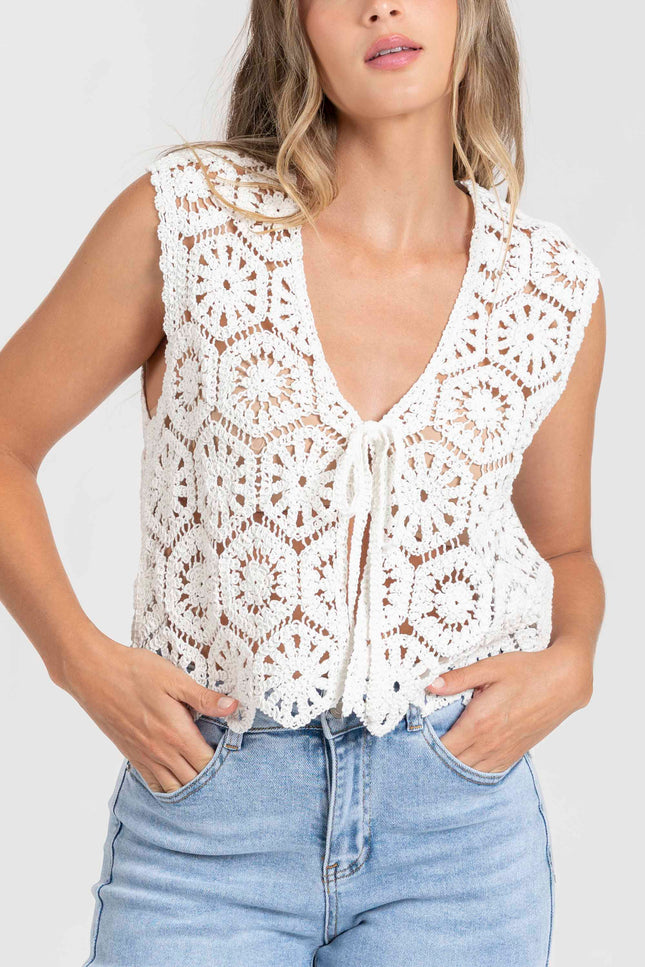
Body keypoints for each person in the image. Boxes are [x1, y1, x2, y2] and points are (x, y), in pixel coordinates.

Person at [0, 2, 606, 965]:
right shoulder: (189, 225)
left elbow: (564, 547)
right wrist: (77, 659)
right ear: (294, 26)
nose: (382, 6)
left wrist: (572, 659)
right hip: (209, 823)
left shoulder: (548, 291)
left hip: (457, 840)